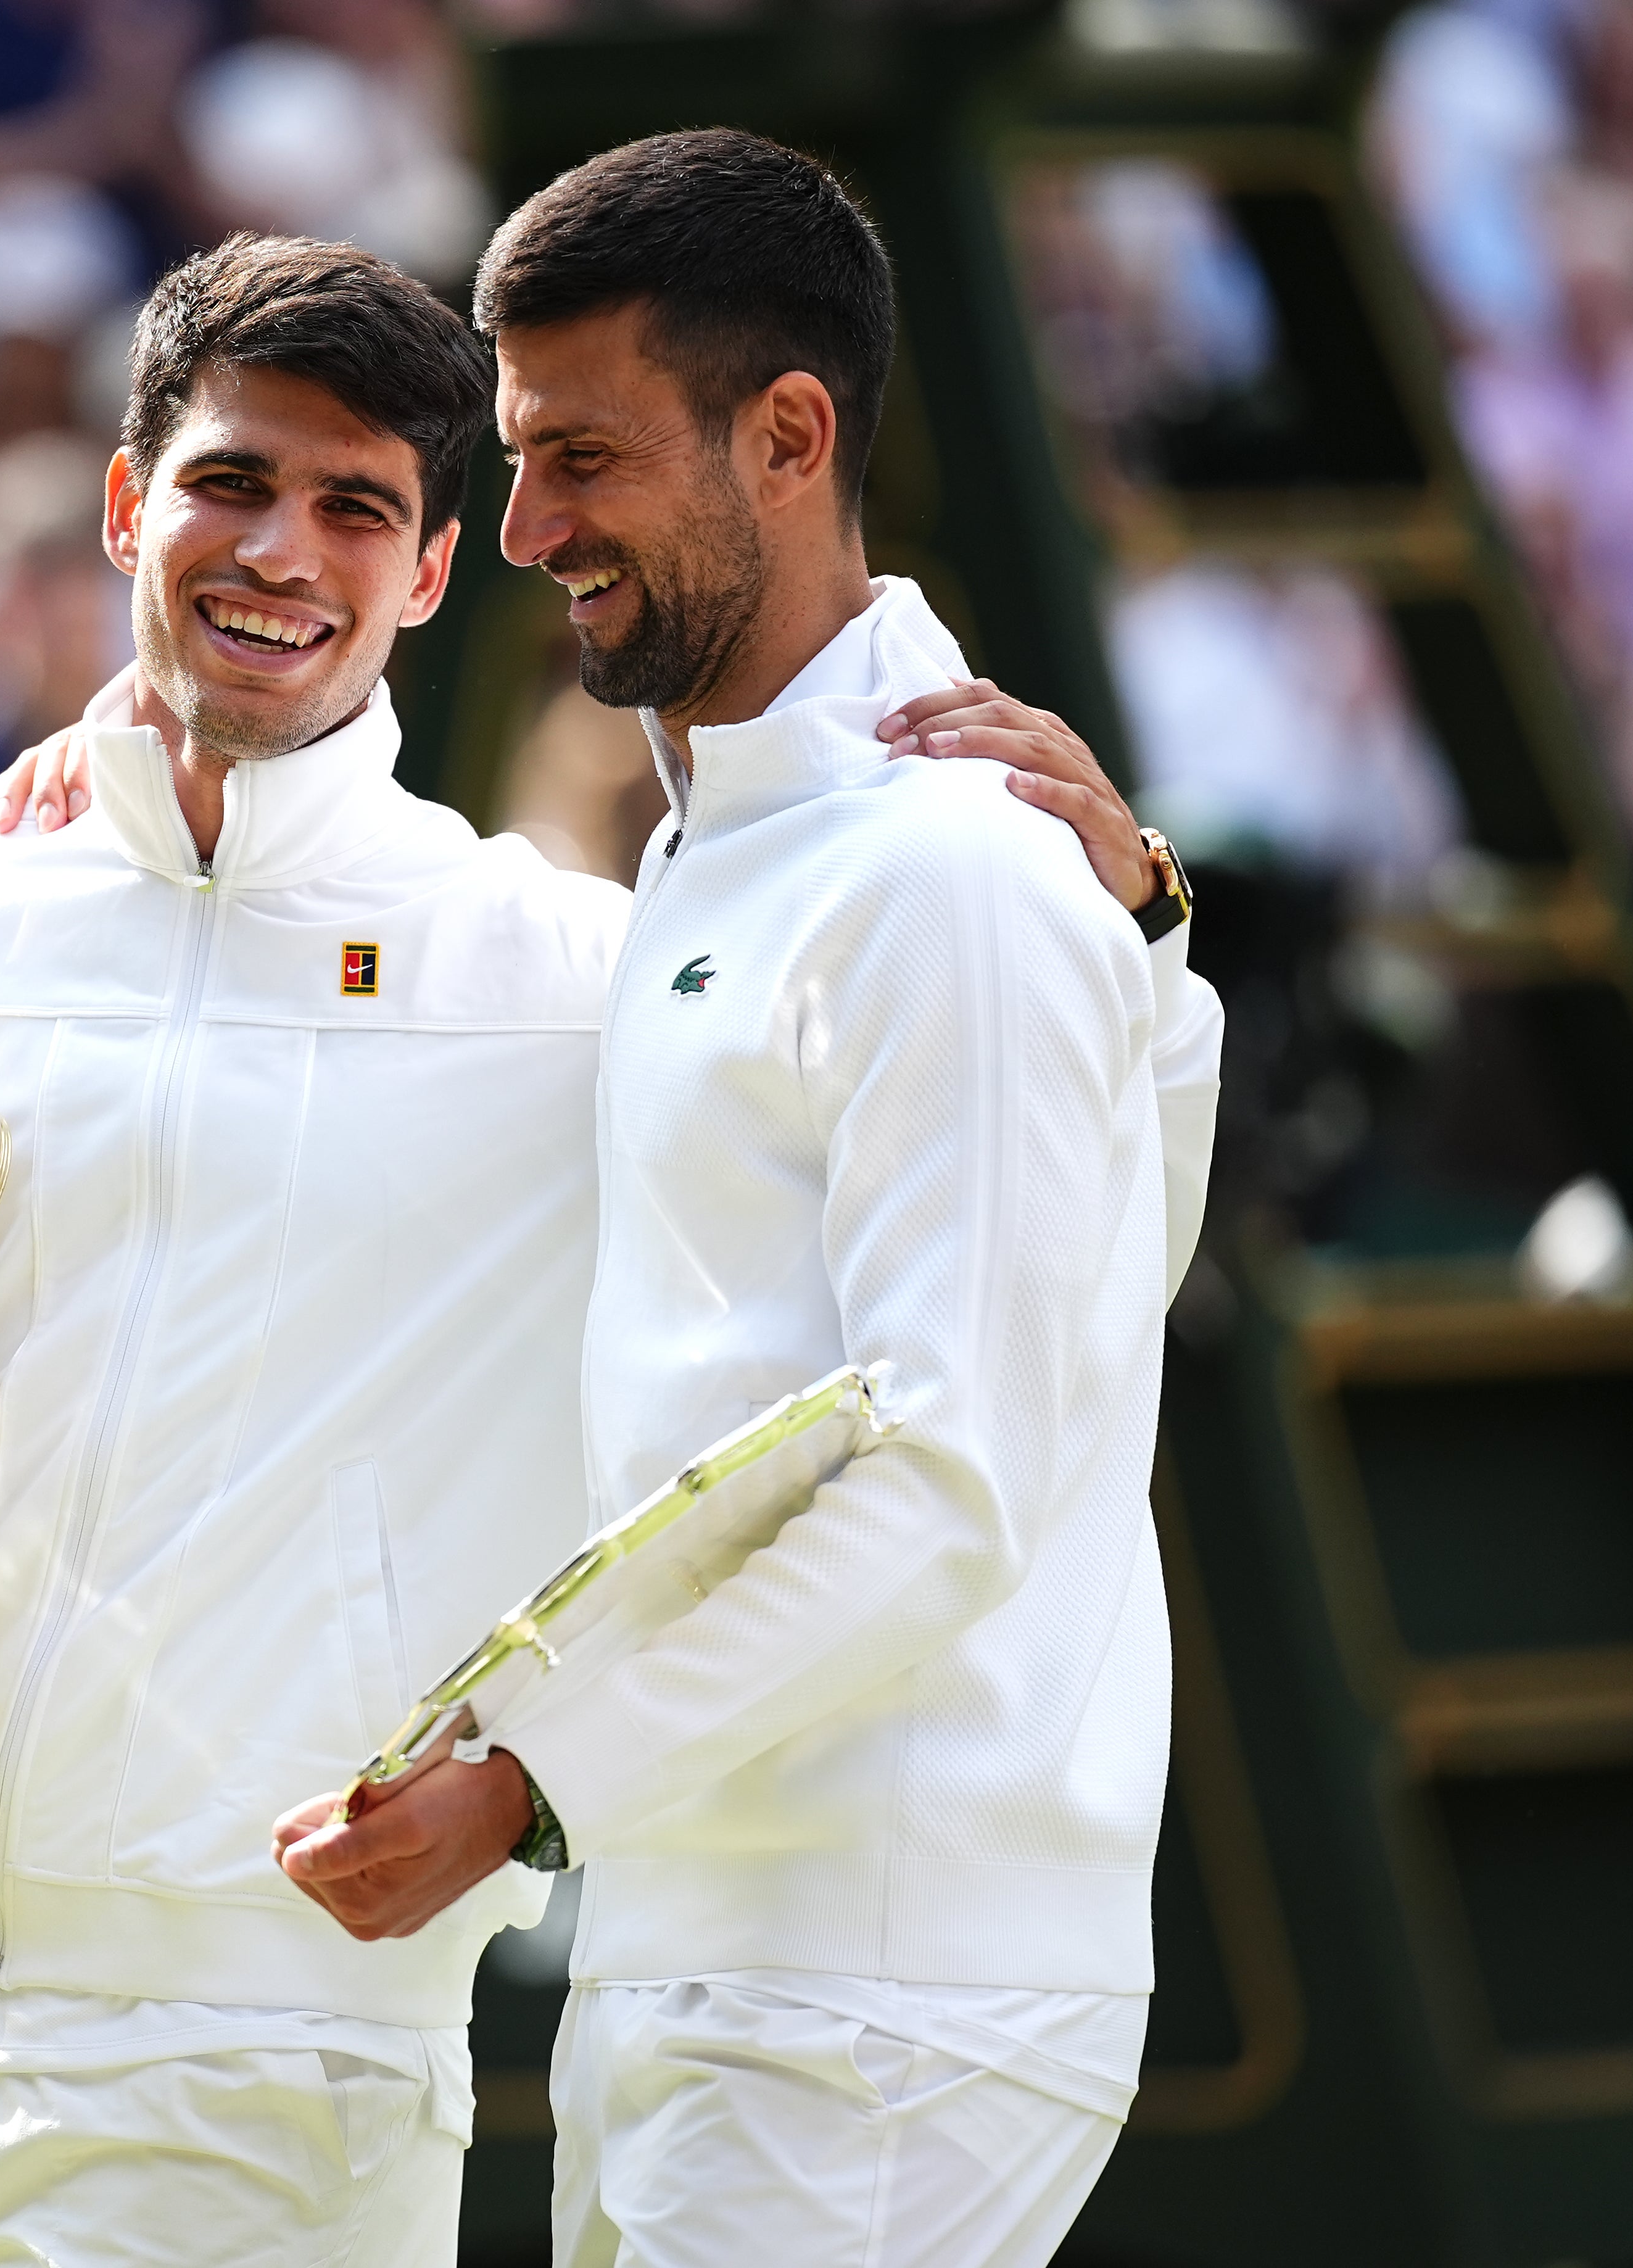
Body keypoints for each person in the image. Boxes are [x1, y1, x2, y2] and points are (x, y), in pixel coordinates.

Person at [0, 233, 1179, 2266]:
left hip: (287, 2055)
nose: (281, 554)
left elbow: (1039, 1275)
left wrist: (1134, 939)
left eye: (357, 508)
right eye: (232, 483)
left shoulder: (587, 983)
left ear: (430, 573)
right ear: (130, 502)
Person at [270, 132, 1224, 2268]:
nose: (525, 531)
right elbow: (1082, 1286)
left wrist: (528, 1781)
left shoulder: (946, 863)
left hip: (876, 1978)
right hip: (729, 1945)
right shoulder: (752, 834)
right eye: (514, 463)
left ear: (786, 437)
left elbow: (962, 1465)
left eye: (579, 458)